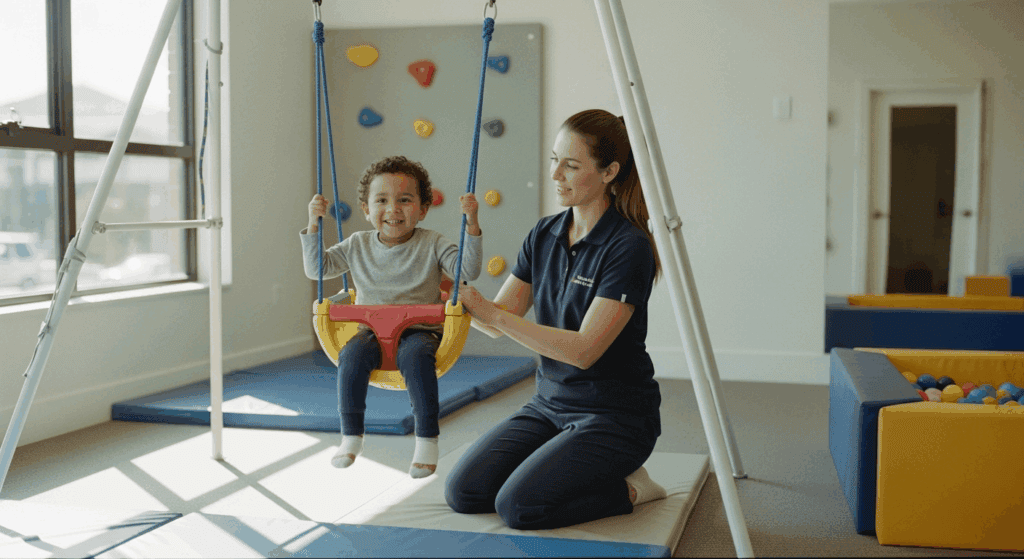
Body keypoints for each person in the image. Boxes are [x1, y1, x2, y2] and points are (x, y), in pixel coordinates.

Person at [444, 109, 667, 529]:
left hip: (615, 417)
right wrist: (451, 301)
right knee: (465, 493)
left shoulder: (628, 247)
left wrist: (491, 312)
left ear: (609, 172)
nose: (555, 174)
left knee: (519, 507)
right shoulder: (543, 234)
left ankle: (633, 488)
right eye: (553, 159)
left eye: (571, 165)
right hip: (549, 405)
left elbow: (584, 351)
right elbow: (498, 322)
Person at [301, 155, 482, 478]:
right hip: (371, 331)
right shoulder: (357, 244)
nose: (393, 209)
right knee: (351, 356)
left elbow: (467, 270)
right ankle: (351, 436)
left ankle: (426, 440)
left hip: (421, 330)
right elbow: (318, 269)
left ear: (423, 209)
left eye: (405, 200)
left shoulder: (433, 243)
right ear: (367, 209)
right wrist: (314, 225)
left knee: (416, 357)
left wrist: (472, 223)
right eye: (381, 200)